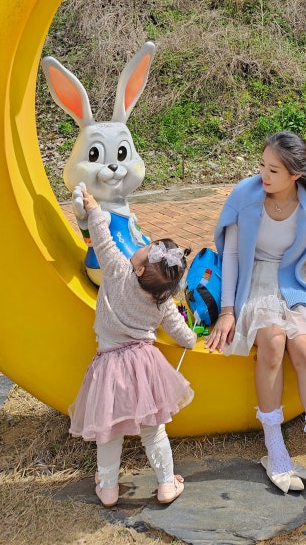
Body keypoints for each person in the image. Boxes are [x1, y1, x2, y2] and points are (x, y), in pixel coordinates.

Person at [204, 131, 306, 517]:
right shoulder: (245, 196)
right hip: (253, 281)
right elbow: (232, 255)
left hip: (293, 280)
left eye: (273, 170)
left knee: (303, 345)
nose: (264, 175)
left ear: (296, 175)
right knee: (272, 342)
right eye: (262, 165)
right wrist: (227, 311)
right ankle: (275, 448)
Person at [70, 185, 196, 507]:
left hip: (110, 366)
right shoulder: (162, 300)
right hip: (145, 366)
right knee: (154, 431)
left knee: (109, 432)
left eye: (145, 248)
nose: (140, 246)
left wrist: (94, 209)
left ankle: (108, 488)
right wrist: (192, 340)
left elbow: (102, 239)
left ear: (139, 268)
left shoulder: (116, 270)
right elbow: (181, 333)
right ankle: (166, 484)